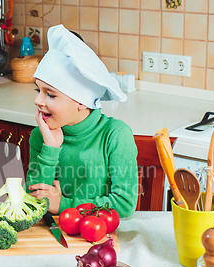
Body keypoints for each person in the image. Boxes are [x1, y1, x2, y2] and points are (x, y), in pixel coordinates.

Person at [26, 24, 138, 217]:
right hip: (52, 236)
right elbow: (33, 200)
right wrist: (50, 150)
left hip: (100, 235)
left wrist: (63, 204)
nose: (37, 101)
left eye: (50, 94)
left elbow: (124, 203)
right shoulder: (41, 136)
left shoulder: (115, 135)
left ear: (82, 102)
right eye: (38, 90)